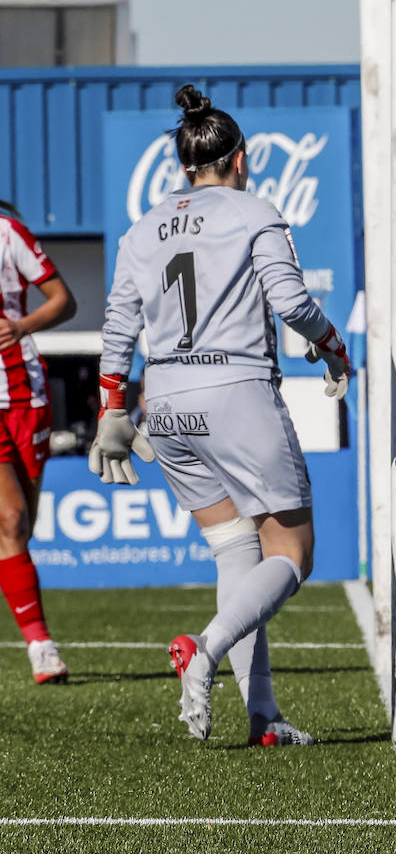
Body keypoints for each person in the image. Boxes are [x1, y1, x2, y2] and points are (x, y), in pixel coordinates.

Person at [91, 84, 350, 746]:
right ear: (242, 158)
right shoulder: (254, 209)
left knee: (235, 547)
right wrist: (331, 345)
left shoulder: (142, 227)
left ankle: (262, 717)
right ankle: (203, 650)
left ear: (184, 168)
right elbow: (291, 302)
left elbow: (119, 323)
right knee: (292, 552)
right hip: (234, 391)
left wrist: (110, 410)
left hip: (166, 402)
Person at [0, 200, 76, 684]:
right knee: (9, 519)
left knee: (22, 526)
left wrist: (21, 326)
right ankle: (41, 648)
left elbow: (64, 300)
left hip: (25, 395)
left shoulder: (9, 233)